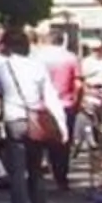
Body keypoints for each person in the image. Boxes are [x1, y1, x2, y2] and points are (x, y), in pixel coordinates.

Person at [0, 27, 63, 203]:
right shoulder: (38, 67)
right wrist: (61, 126)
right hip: (36, 120)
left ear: (8, 47)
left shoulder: (1, 68)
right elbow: (51, 97)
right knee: (36, 171)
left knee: (17, 174)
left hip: (13, 121)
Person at [38, 28, 84, 190]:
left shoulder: (38, 57)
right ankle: (61, 178)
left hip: (43, 105)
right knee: (63, 142)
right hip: (65, 104)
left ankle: (40, 177)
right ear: (62, 40)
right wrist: (77, 102)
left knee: (42, 141)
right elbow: (78, 84)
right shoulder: (71, 58)